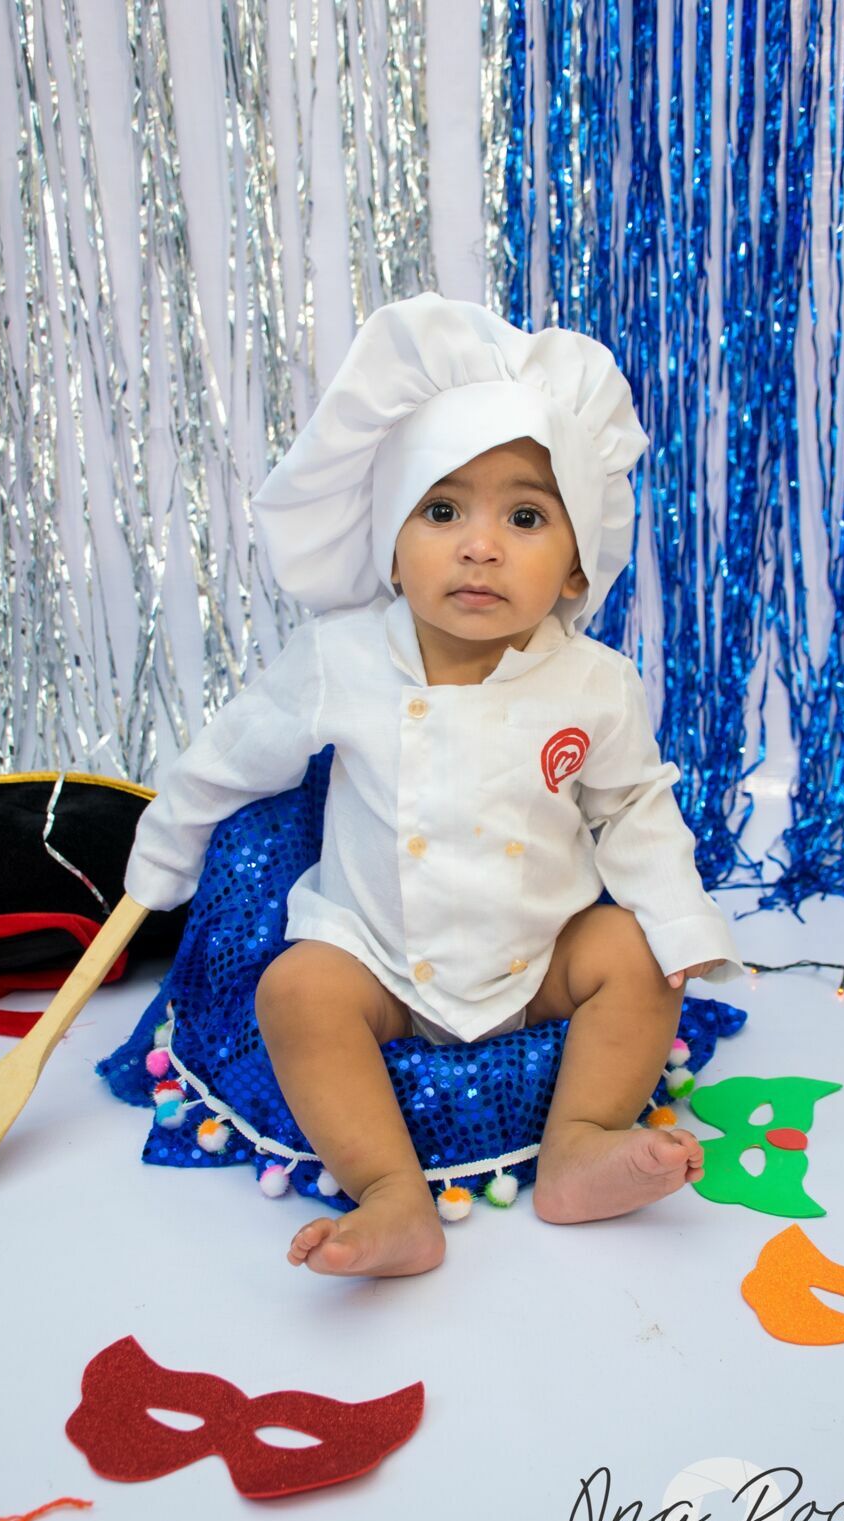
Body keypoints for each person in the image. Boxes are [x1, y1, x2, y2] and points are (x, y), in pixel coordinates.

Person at [125, 292, 744, 1280]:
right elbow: (229, 759)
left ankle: (580, 1141)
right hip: (376, 960)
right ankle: (389, 1193)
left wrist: (680, 922)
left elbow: (631, 806)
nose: (478, 546)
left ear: (576, 568)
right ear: (389, 539)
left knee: (632, 954)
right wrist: (162, 858)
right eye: (442, 510)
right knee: (296, 989)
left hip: (537, 958)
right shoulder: (340, 659)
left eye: (525, 517)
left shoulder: (594, 684)